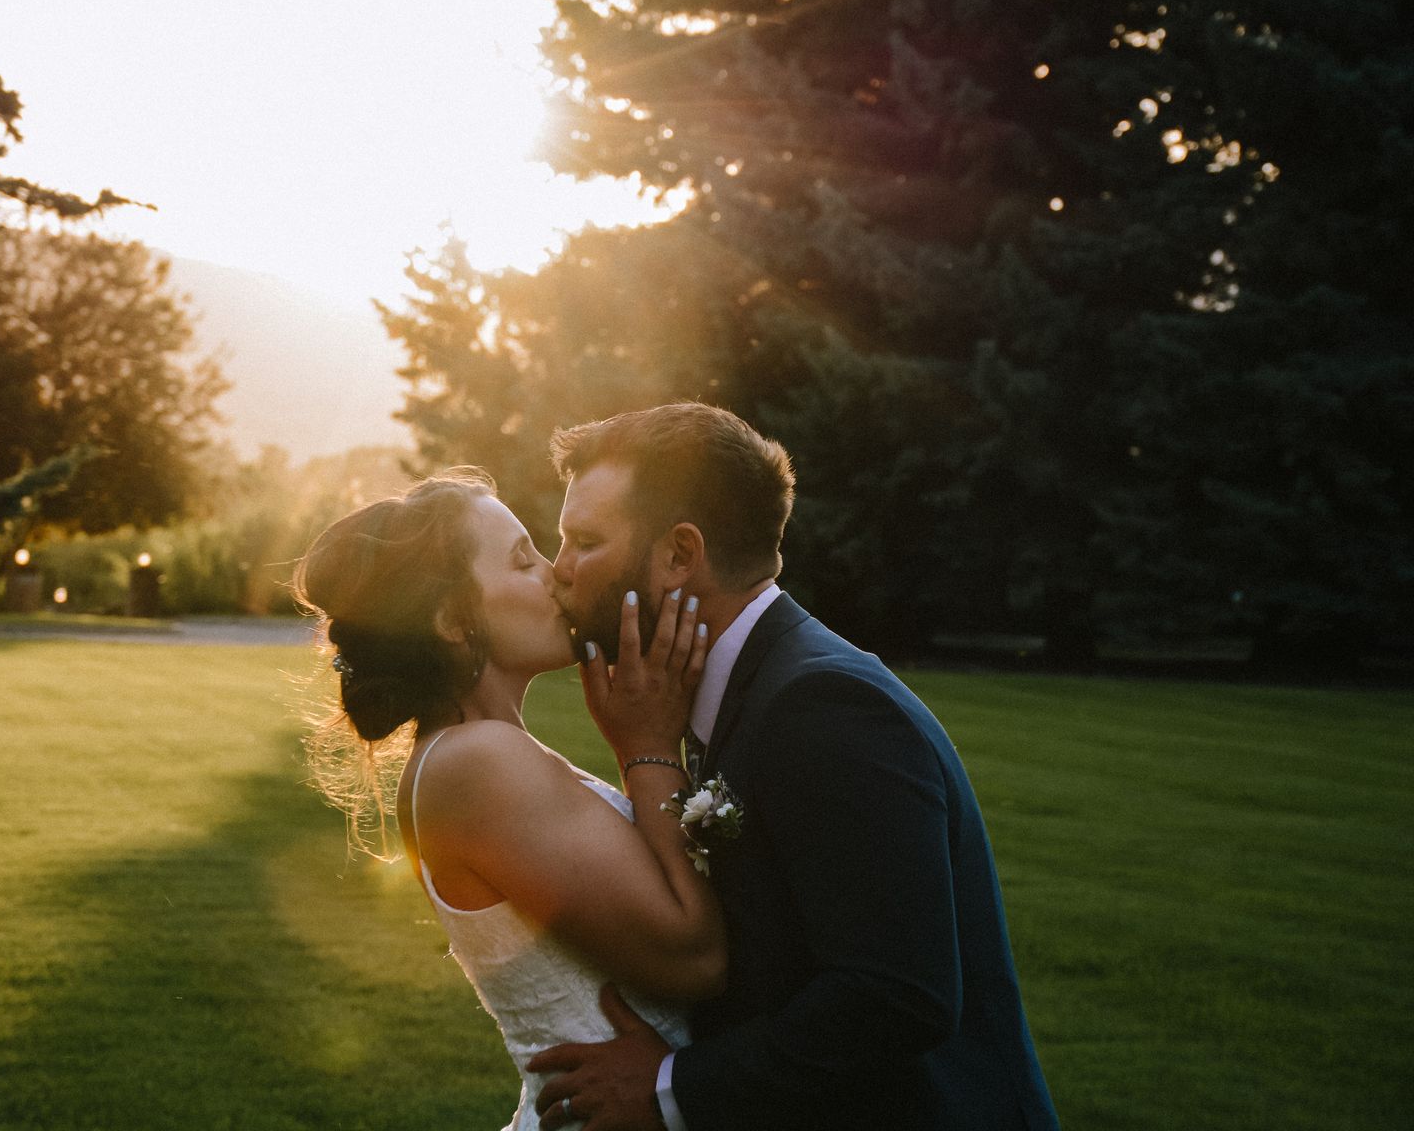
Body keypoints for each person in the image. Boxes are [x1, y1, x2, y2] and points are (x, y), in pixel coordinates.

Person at [526, 402, 1060, 1131]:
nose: (558, 572)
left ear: (681, 555)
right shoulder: (753, 688)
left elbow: (895, 996)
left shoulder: (823, 703)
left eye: (583, 541)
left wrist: (671, 1088)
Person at [294, 467, 728, 1131]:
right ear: (450, 620)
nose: (556, 574)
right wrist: (648, 747)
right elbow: (692, 959)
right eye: (524, 561)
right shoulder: (476, 763)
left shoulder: (485, 751)